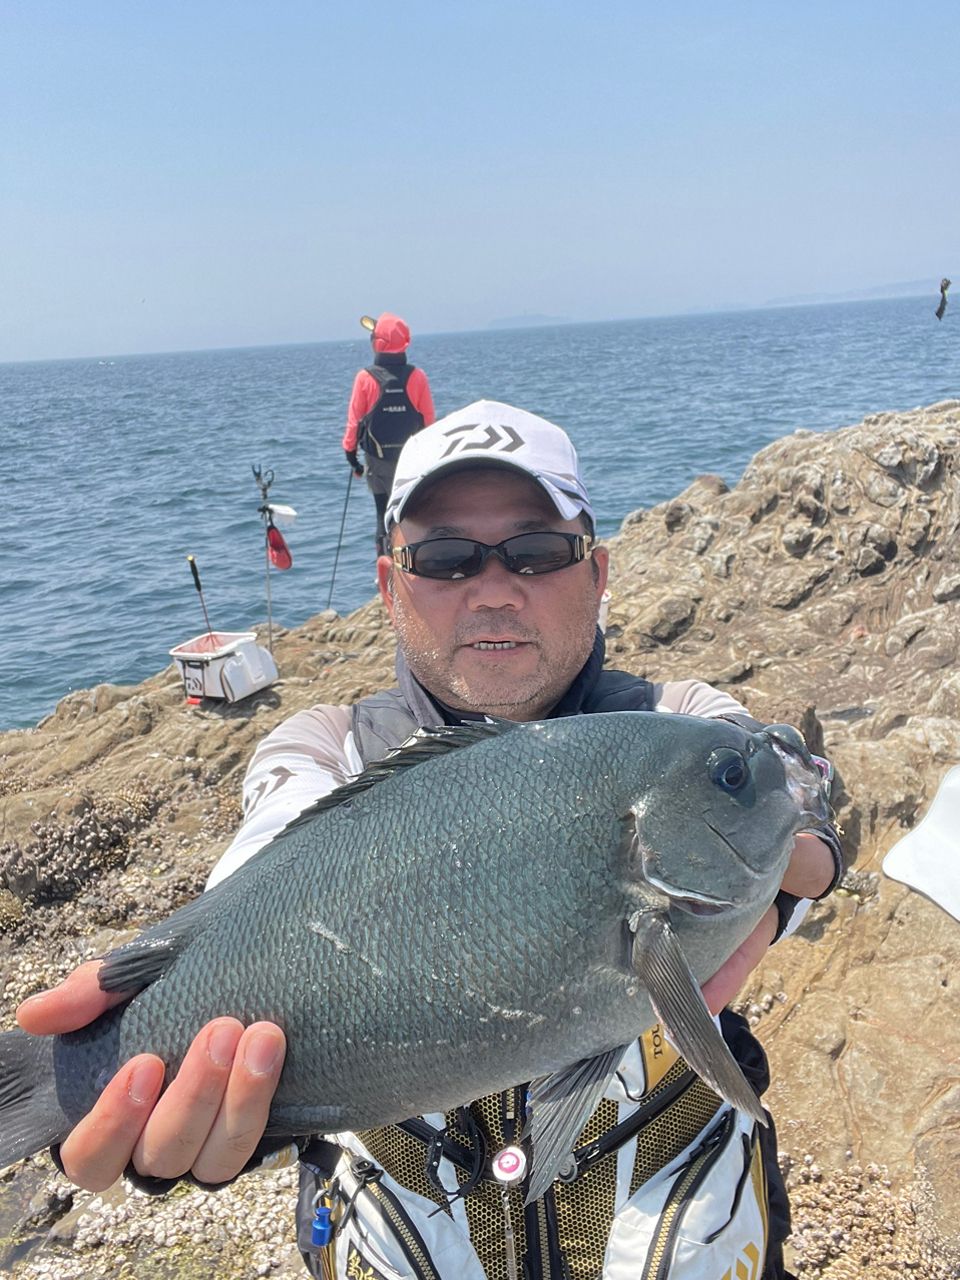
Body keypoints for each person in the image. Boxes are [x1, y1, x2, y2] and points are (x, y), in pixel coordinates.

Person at [18, 401, 843, 1280]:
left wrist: (809, 862)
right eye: (444, 560)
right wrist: (175, 1096)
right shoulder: (321, 750)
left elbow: (798, 783)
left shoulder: (678, 724)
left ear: (598, 574)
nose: (494, 587)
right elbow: (257, 876)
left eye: (536, 552)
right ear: (388, 585)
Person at [342, 311, 436, 556]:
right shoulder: (417, 376)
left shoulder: (365, 378)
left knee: (382, 512)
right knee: (410, 514)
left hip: (377, 460)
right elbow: (428, 421)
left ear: (377, 343)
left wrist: (351, 457)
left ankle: (385, 572)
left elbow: (354, 421)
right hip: (411, 459)